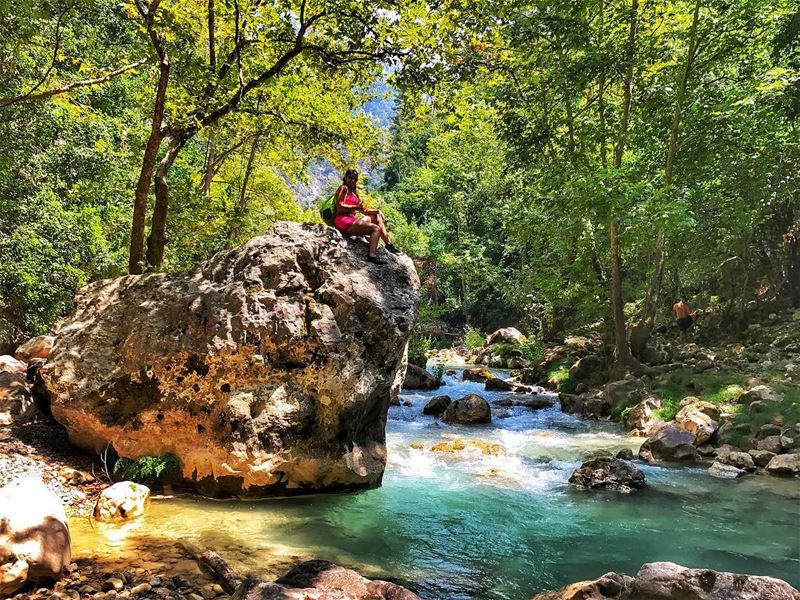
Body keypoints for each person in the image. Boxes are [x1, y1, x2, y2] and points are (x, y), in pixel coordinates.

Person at [333, 169, 398, 263]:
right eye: (350, 178)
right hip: (342, 220)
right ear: (345, 178)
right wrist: (355, 207)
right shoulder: (343, 188)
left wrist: (377, 211)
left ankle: (388, 244)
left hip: (351, 220)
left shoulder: (354, 193)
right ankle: (372, 256)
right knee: (376, 229)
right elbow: (339, 206)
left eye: (355, 179)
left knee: (376, 217)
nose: (353, 181)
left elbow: (364, 211)